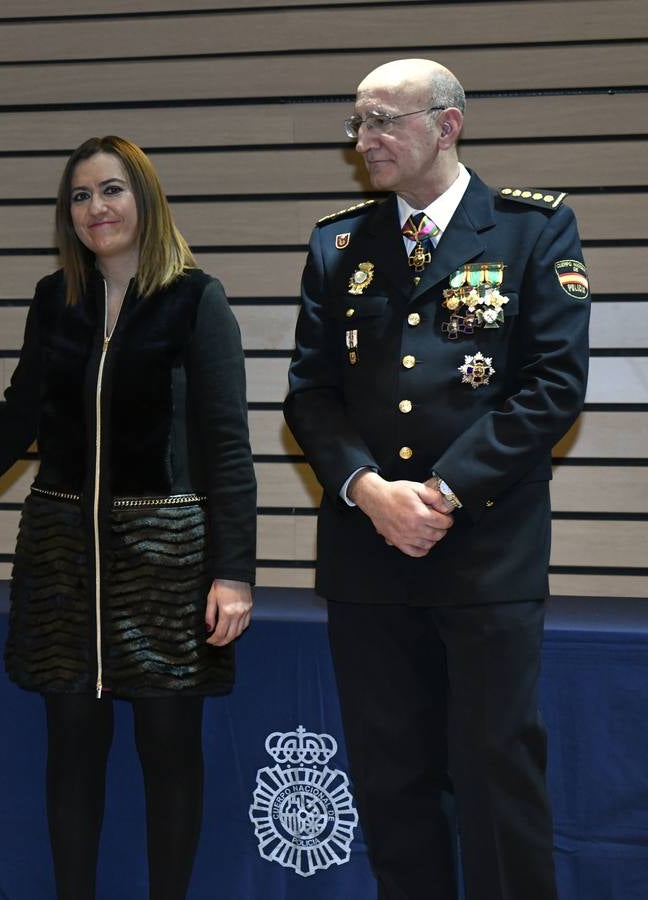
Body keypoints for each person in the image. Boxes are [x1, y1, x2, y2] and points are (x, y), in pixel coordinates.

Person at [284, 58, 589, 900]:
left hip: (485, 557)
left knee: (496, 782)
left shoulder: (533, 230)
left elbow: (554, 386)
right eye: (357, 122)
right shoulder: (339, 242)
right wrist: (367, 491)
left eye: (383, 121)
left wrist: (445, 493)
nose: (364, 140)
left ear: (447, 125)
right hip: (369, 559)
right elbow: (310, 393)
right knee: (392, 784)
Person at [0, 136, 255, 900]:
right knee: (71, 749)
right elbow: (19, 420)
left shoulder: (196, 299)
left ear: (144, 199)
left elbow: (227, 447)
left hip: (167, 560)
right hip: (61, 560)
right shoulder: (58, 299)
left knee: (168, 748)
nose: (96, 209)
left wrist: (235, 573)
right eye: (80, 197)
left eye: (110, 191)